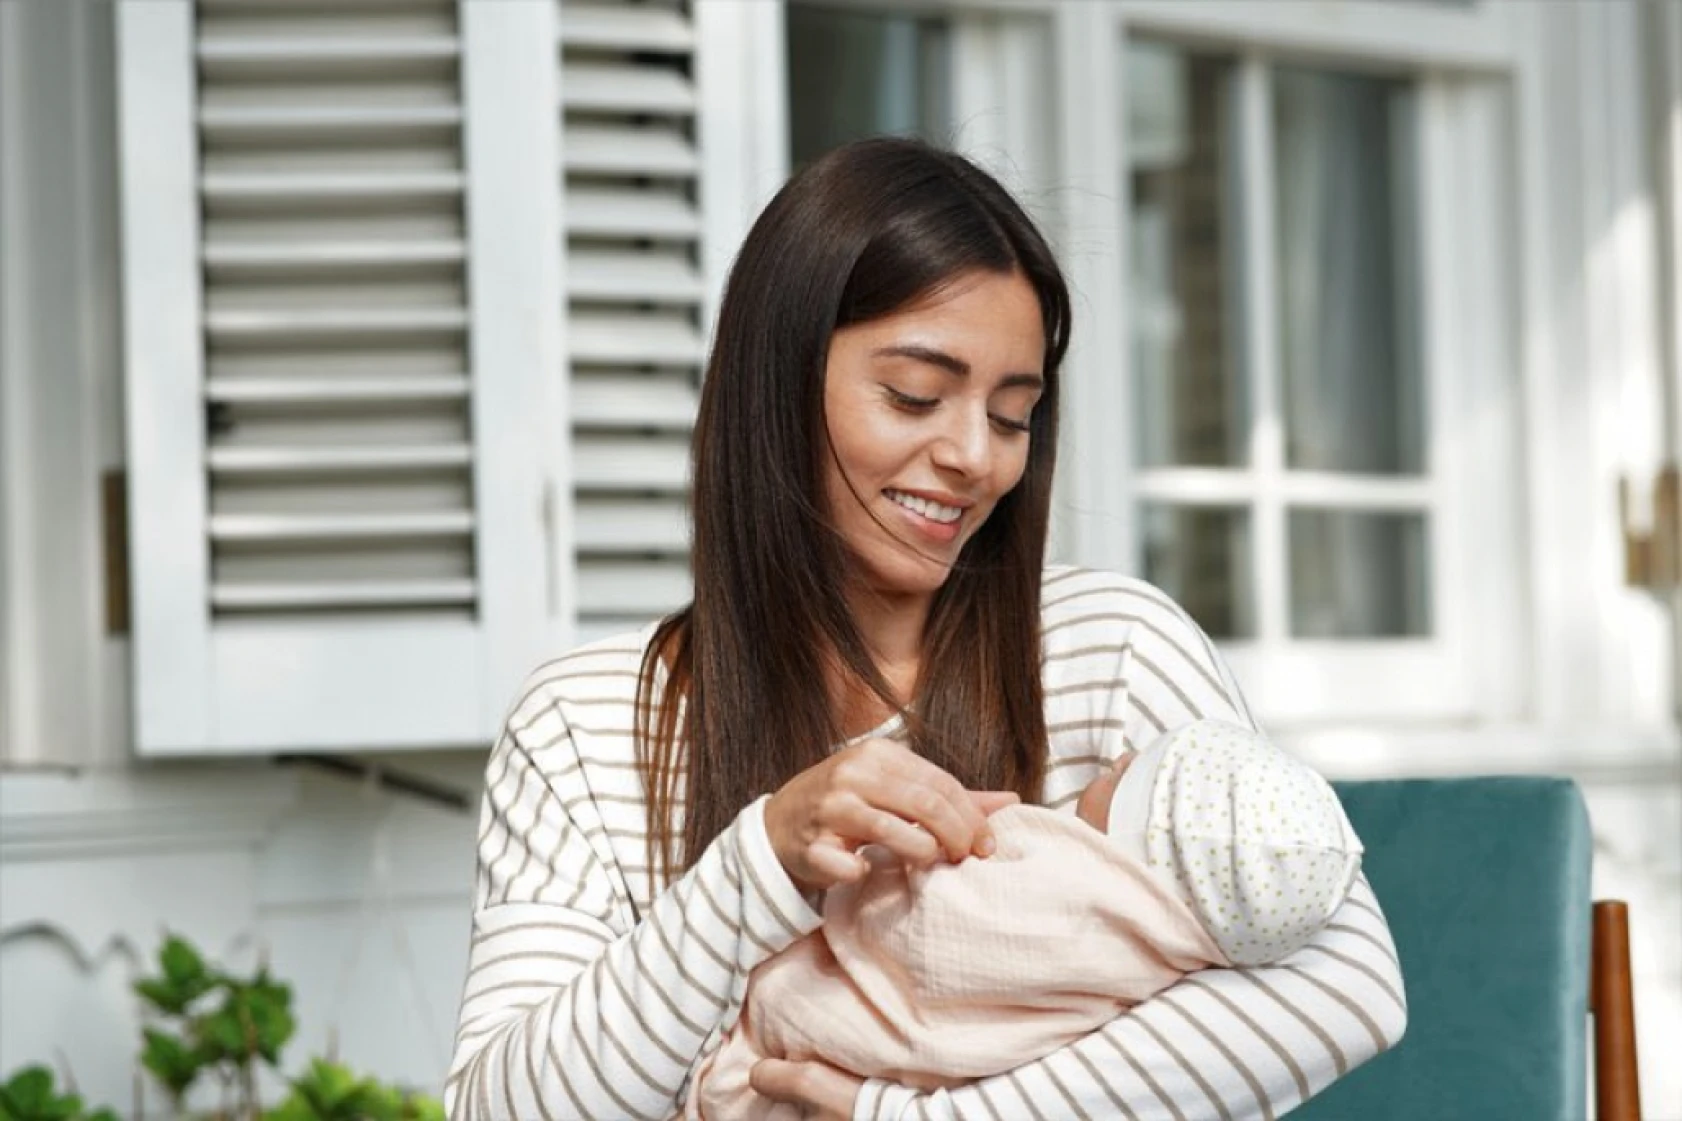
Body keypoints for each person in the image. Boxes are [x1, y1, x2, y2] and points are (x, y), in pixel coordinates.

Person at [444, 136, 1406, 1121]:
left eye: (1010, 413)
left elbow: (1346, 989)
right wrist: (757, 863)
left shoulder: (1113, 647)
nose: (971, 457)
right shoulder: (586, 722)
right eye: (913, 395)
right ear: (775, 382)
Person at [687, 720, 1367, 1120]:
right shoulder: (1180, 960)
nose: (1116, 756)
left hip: (812, 1032)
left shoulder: (1056, 872)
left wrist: (898, 853)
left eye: (1130, 770)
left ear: (1135, 838)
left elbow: (924, 929)